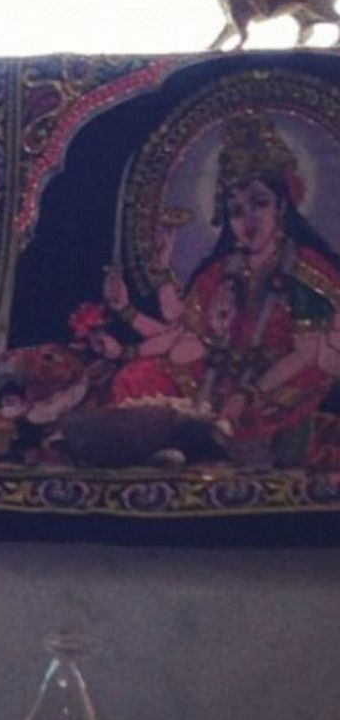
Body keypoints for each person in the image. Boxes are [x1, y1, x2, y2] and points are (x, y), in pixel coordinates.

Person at [100, 111, 340, 467]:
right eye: (236, 210)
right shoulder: (221, 270)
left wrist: (247, 392)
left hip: (280, 379)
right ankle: (165, 457)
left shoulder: (305, 272)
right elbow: (184, 333)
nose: (248, 220)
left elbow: (306, 355)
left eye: (260, 203)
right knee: (137, 379)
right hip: (215, 374)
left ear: (282, 206)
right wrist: (131, 309)